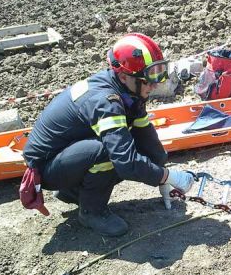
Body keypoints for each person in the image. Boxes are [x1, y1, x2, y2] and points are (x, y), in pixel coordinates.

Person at [22, 33, 195, 237]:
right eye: (149, 77)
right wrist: (168, 176)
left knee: (124, 147)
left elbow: (146, 137)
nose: (155, 84)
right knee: (110, 152)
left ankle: (74, 191)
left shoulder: (130, 90)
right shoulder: (106, 101)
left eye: (158, 72)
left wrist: (161, 170)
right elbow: (125, 162)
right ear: (124, 76)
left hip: (66, 156)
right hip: (46, 169)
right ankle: (91, 212)